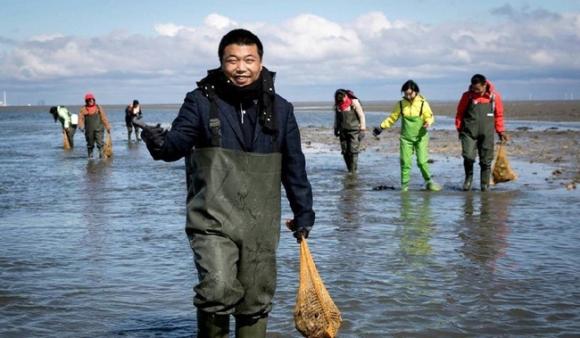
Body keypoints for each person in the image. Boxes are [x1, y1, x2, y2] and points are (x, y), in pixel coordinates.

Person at [141, 29, 315, 338]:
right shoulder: (199, 102)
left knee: (255, 297)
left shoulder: (282, 109)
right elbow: (174, 146)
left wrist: (304, 212)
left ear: (261, 63)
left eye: (249, 59)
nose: (241, 67)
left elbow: (294, 166)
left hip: (260, 222)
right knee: (217, 287)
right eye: (232, 60)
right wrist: (157, 141)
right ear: (221, 63)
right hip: (211, 219)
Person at [373, 80, 442, 192]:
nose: (408, 96)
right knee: (405, 162)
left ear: (416, 92)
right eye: (406, 94)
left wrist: (428, 122)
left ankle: (429, 181)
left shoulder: (423, 103)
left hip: (421, 137)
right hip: (406, 138)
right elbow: (392, 118)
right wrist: (381, 127)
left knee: (422, 162)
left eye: (410, 93)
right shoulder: (400, 104)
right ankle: (404, 187)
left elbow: (429, 116)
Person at [455, 74, 508, 191]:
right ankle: (468, 179)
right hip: (468, 133)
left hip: (487, 133)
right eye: (474, 89)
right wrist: (459, 128)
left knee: (486, 160)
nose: (476, 91)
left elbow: (499, 115)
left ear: (484, 85)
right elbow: (459, 113)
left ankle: (484, 185)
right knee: (468, 157)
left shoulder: (494, 97)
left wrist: (501, 131)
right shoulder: (467, 96)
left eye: (478, 89)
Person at [334, 89, 366, 173]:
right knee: (345, 151)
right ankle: (349, 169)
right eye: (339, 98)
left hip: (354, 130)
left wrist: (362, 129)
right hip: (343, 131)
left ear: (346, 96)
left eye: (342, 98)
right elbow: (337, 119)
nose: (341, 100)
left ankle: (353, 170)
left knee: (353, 151)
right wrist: (336, 129)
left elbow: (361, 115)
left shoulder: (354, 102)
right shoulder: (337, 105)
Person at [78, 92, 111, 159]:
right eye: (89, 100)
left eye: (91, 99)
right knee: (90, 144)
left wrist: (107, 126)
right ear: (86, 101)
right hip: (89, 130)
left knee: (100, 143)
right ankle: (90, 157)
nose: (90, 101)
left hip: (99, 129)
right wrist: (81, 126)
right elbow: (80, 119)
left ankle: (101, 156)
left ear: (94, 100)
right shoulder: (83, 109)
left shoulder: (98, 108)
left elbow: (103, 117)